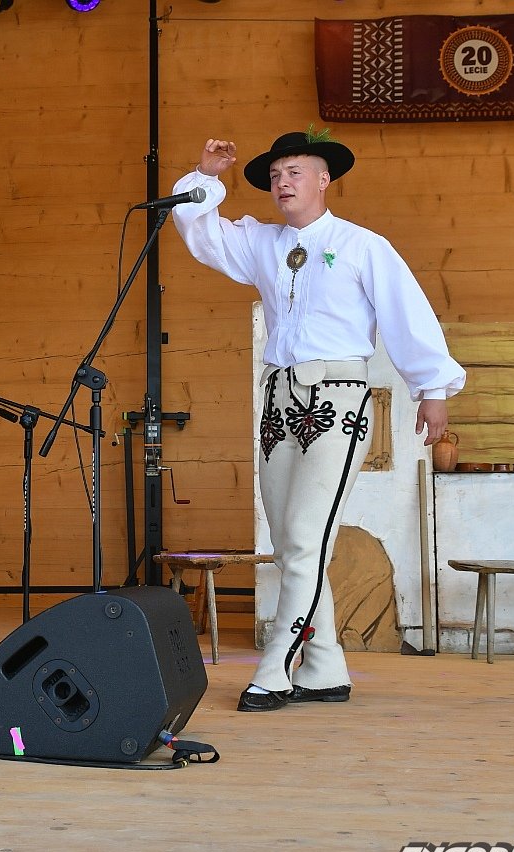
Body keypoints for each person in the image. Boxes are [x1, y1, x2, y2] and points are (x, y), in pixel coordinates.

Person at [168, 129, 466, 712]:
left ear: (324, 179)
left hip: (338, 398)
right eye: (275, 175)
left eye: (295, 172)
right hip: (279, 399)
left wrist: (432, 388)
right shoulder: (261, 242)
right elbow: (203, 237)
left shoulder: (362, 245)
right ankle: (325, 666)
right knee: (290, 542)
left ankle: (276, 665)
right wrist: (205, 178)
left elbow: (406, 311)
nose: (283, 182)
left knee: (307, 536)